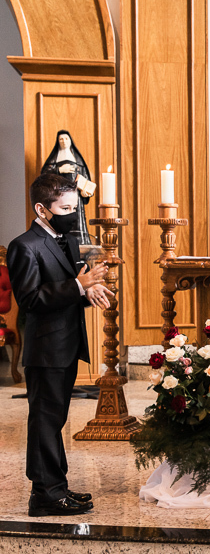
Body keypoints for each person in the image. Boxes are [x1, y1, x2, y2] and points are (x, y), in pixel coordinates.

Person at [7, 174, 112, 517]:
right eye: (65, 208)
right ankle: (45, 496)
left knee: (55, 420)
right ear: (42, 209)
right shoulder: (25, 245)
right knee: (45, 421)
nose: (72, 213)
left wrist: (87, 290)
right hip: (45, 348)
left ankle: (57, 487)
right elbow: (31, 299)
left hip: (65, 344)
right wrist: (78, 286)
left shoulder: (63, 240)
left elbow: (68, 288)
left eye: (75, 206)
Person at [40, 130, 96, 245]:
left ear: (70, 141)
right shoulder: (54, 160)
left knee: (77, 218)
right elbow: (44, 177)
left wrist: (86, 192)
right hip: (59, 196)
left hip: (76, 197)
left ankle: (81, 241)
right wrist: (58, 170)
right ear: (58, 141)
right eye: (61, 139)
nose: (64, 141)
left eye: (66, 139)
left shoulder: (78, 160)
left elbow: (85, 178)